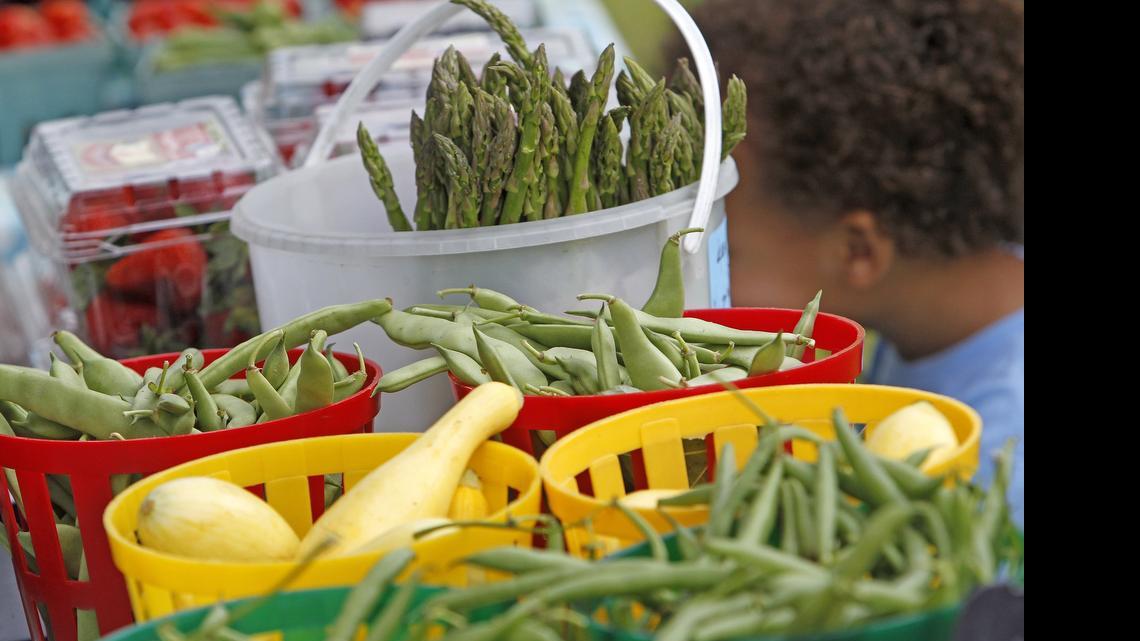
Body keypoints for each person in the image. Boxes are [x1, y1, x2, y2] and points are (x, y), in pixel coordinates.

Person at [680, 0, 1024, 527]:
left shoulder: (996, 457)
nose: (703, 275)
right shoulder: (938, 321)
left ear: (859, 251)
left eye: (725, 250)